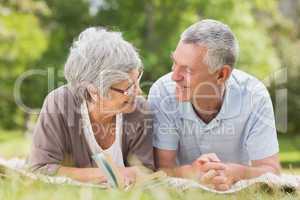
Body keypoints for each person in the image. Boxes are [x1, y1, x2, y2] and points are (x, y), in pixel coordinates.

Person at [148, 19, 281, 191]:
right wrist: (192, 173)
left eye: (187, 70)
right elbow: (160, 170)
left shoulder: (254, 96)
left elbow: (271, 171)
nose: (175, 76)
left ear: (221, 75)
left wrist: (234, 172)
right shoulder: (162, 92)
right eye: (174, 62)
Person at [29, 27, 154, 184]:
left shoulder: (140, 110)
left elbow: (145, 171)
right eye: (128, 88)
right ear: (93, 90)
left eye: (138, 79)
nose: (138, 92)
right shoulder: (59, 104)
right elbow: (40, 168)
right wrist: (109, 174)